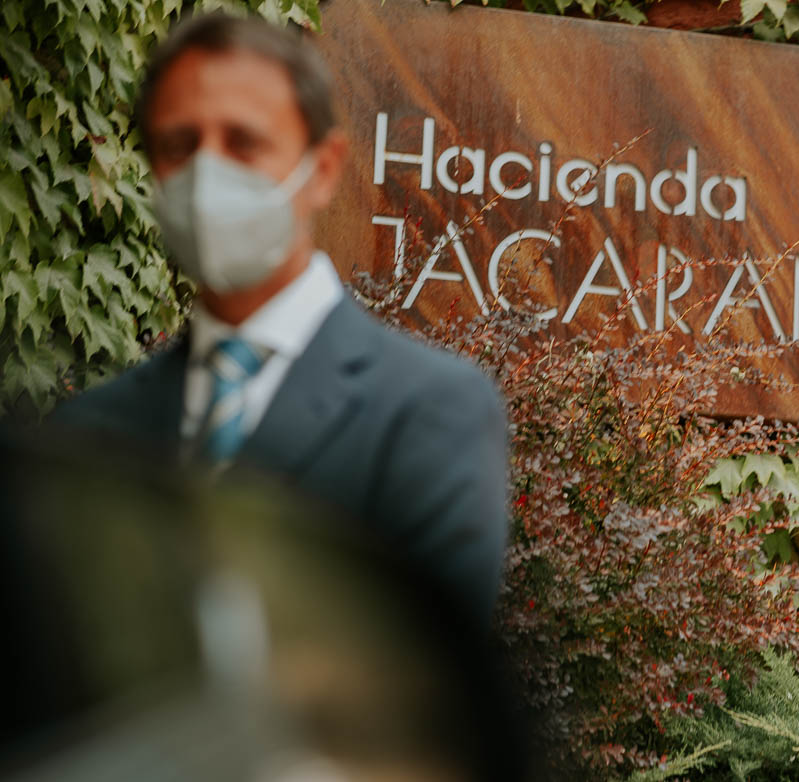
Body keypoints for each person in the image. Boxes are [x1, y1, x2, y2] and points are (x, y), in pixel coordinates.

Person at [51, 13, 509, 626]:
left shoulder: (431, 410)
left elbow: (424, 690)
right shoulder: (89, 432)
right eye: (180, 145)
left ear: (322, 169)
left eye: (244, 142)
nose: (206, 175)